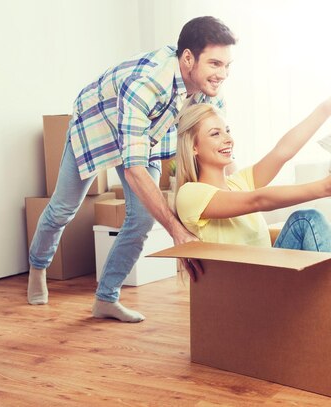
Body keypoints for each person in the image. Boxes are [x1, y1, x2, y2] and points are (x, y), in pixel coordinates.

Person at [27, 16, 236, 323]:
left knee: (140, 219)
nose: (223, 74)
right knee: (63, 209)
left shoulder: (206, 92)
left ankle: (105, 299)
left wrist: (239, 195)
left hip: (145, 134)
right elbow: (134, 170)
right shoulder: (148, 85)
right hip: (98, 126)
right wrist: (177, 231)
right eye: (216, 64)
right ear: (188, 58)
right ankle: (37, 266)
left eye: (227, 66)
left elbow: (221, 147)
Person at [174, 89, 331, 255]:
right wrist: (325, 187)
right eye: (215, 134)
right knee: (307, 219)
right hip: (252, 285)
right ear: (194, 147)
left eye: (227, 130)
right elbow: (258, 200)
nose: (228, 139)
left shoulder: (238, 183)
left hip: (275, 273)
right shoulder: (190, 194)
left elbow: (283, 152)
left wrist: (326, 109)